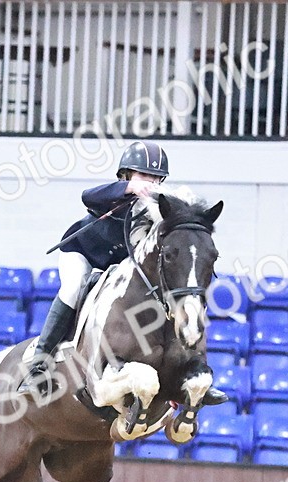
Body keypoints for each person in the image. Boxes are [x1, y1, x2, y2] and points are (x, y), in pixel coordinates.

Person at [17, 141, 228, 407]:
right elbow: (87, 196)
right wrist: (130, 189)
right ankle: (39, 363)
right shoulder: (114, 194)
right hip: (84, 254)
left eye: (154, 176)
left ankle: (179, 378)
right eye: (142, 175)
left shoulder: (159, 208)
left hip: (118, 267)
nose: (149, 181)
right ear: (126, 175)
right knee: (72, 288)